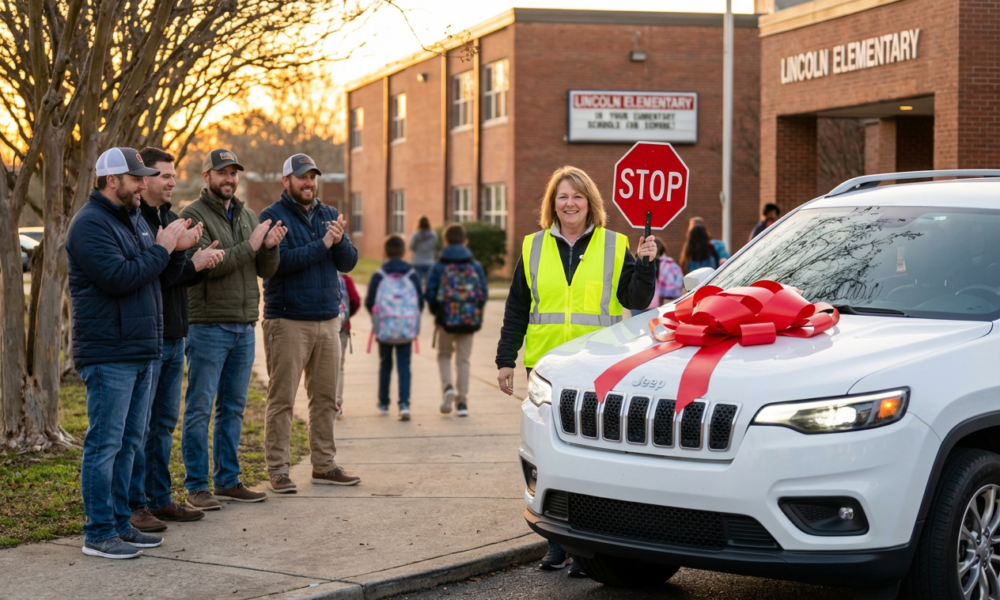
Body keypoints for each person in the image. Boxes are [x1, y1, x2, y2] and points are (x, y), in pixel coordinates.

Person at [495, 165, 656, 576]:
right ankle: (555, 543)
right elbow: (517, 307)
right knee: (549, 455)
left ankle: (585, 548)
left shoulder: (615, 244)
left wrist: (647, 264)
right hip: (545, 368)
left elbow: (635, 297)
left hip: (596, 367)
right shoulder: (533, 246)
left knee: (590, 459)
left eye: (578, 197)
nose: (570, 203)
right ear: (553, 203)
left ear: (590, 203)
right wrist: (504, 359)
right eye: (563, 196)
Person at [67, 147, 201, 559]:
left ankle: (120, 523)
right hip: (110, 353)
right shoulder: (90, 226)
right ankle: (99, 532)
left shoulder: (132, 222)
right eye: (137, 177)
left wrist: (175, 250)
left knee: (128, 443)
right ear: (112, 180)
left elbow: (155, 277)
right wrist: (163, 249)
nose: (144, 183)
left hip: (142, 349)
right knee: (105, 444)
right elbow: (119, 278)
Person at [179, 149, 287, 510]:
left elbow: (264, 270)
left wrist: (268, 248)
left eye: (233, 173)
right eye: (221, 173)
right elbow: (210, 265)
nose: (229, 179)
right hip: (208, 326)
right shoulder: (193, 216)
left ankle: (227, 480)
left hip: (243, 325)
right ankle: (197, 485)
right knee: (200, 409)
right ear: (206, 176)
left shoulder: (247, 214)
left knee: (234, 408)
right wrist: (253, 243)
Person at [127, 147, 225, 534]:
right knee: (139, 427)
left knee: (164, 423)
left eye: (172, 175)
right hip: (148, 338)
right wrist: (186, 260)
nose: (172, 181)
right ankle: (135, 505)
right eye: (164, 175)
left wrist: (196, 265)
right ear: (144, 179)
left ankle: (160, 498)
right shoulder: (136, 222)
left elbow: (174, 277)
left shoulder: (170, 219)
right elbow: (150, 276)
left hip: (175, 334)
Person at [258, 153, 361, 493]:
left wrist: (340, 239)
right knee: (282, 399)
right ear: (286, 181)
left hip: (327, 320)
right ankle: (278, 471)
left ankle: (325, 465)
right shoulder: (272, 217)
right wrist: (324, 243)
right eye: (302, 177)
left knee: (325, 398)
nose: (309, 183)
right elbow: (281, 262)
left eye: (313, 176)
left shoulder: (329, 214)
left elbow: (348, 262)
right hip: (287, 321)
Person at [425, 223, 488, 417]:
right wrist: (475, 312)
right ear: (465, 241)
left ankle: (448, 388)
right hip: (469, 319)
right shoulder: (474, 265)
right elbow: (483, 293)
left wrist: (438, 313)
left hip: (446, 318)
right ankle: (462, 403)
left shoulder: (439, 264)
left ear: (445, 241)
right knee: (463, 360)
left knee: (444, 355)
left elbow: (430, 291)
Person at [366, 235, 424, 421]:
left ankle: (383, 403)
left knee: (385, 364)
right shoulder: (411, 274)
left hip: (385, 327)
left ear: (384, 252)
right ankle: (404, 404)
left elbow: (370, 302)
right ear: (404, 252)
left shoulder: (379, 275)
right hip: (406, 328)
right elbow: (420, 302)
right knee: (404, 366)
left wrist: (379, 318)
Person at [336, 272, 361, 419]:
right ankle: (337, 403)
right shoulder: (345, 279)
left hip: (321, 324)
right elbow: (356, 301)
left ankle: (322, 402)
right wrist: (346, 317)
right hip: (342, 328)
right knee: (338, 366)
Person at [648, 237, 684, 309]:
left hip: (645, 306)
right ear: (663, 250)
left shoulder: (644, 266)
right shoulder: (673, 266)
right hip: (669, 305)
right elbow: (679, 285)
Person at [409, 215, 437, 285]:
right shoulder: (433, 234)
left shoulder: (415, 235)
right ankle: (428, 295)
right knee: (429, 282)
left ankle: (419, 295)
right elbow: (434, 246)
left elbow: (411, 247)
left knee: (418, 282)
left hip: (417, 261)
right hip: (429, 261)